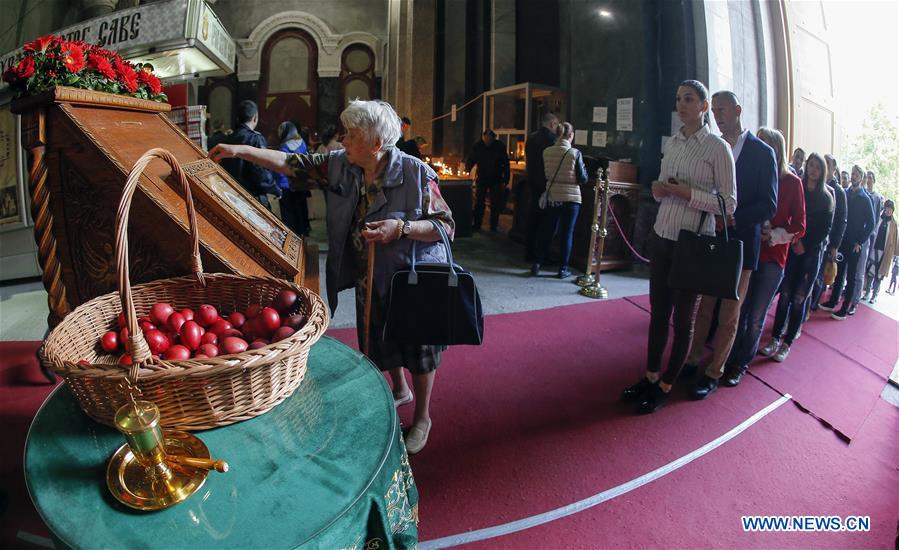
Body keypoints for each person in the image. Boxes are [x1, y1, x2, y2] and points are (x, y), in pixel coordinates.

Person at [209, 100, 455, 454]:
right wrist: (238, 150)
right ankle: (400, 390)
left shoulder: (416, 173)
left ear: (375, 143)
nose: (343, 140)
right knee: (378, 337)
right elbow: (291, 164)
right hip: (369, 273)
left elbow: (446, 226)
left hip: (410, 277)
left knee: (419, 349)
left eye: (351, 134)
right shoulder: (343, 164)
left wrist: (402, 228)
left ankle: (422, 418)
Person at [620, 80, 736, 414]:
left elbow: (729, 204)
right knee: (658, 313)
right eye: (678, 99)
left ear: (704, 106)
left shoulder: (717, 148)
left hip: (693, 243)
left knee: (683, 320)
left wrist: (689, 194)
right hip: (664, 234)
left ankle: (666, 385)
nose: (681, 105)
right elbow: (662, 189)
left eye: (688, 99)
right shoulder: (673, 142)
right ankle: (650, 375)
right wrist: (660, 189)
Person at [685, 90, 778, 400]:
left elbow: (769, 204)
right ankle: (692, 360)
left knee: (729, 314)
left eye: (722, 109)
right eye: (714, 111)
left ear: (738, 110)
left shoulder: (763, 153)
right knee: (704, 307)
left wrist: (734, 219)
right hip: (710, 237)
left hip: (742, 246)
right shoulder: (712, 146)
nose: (717, 116)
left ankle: (714, 372)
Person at [720, 128, 805, 387]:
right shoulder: (751, 171)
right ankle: (726, 357)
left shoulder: (792, 182)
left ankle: (740, 364)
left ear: (776, 149)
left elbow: (800, 224)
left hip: (773, 256)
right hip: (748, 248)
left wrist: (776, 233)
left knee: (756, 316)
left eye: (766, 143)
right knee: (739, 310)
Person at [760, 153, 834, 362]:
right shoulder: (798, 186)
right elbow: (791, 217)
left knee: (799, 299)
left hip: (811, 253)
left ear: (822, 172)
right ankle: (774, 338)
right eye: (811, 165)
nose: (813, 170)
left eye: (817, 167)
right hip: (791, 247)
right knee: (785, 295)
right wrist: (794, 239)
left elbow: (825, 229)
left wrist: (805, 244)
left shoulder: (826, 197)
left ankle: (787, 344)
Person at [530, 122, 588, 279]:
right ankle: (563, 269)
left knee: (547, 231)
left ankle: (537, 263)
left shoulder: (546, 152)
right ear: (571, 135)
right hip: (571, 198)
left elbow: (544, 174)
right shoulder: (575, 153)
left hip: (553, 195)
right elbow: (582, 178)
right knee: (566, 234)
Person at [821, 165, 876, 319]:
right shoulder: (845, 193)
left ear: (861, 178)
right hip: (842, 241)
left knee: (851, 277)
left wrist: (860, 241)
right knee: (839, 273)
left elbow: (871, 223)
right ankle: (833, 301)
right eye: (853, 174)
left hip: (854, 245)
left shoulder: (866, 199)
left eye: (857, 175)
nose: (853, 177)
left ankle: (844, 309)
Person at [220, 100, 280, 209]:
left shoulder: (227, 139)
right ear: (255, 117)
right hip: (253, 197)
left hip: (232, 196)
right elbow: (260, 169)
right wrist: (273, 188)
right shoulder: (255, 139)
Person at [808, 154, 847, 312]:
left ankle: (810, 306)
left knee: (818, 276)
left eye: (827, 163)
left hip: (826, 241)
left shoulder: (838, 191)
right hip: (810, 238)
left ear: (833, 168)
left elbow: (841, 220)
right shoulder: (816, 185)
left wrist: (835, 245)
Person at [524, 113, 560, 262]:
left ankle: (529, 251)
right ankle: (541, 254)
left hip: (532, 181)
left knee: (533, 217)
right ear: (552, 124)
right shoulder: (553, 140)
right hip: (546, 183)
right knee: (546, 221)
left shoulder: (531, 138)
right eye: (556, 125)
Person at [466, 129, 510, 232]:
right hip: (482, 178)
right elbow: (471, 159)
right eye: (485, 139)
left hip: (496, 178)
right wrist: (467, 169)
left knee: (495, 204)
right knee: (479, 202)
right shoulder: (478, 146)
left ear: (493, 139)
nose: (487, 142)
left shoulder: (499, 147)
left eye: (489, 140)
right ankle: (477, 224)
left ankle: (493, 226)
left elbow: (506, 163)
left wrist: (505, 179)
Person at [274, 121, 311, 236]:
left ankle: (291, 238)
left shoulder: (284, 147)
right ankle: (303, 234)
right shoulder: (302, 143)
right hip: (301, 183)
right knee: (301, 210)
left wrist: (276, 185)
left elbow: (281, 168)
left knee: (288, 214)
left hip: (286, 186)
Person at [866, 200, 897, 303]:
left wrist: (894, 255)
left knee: (879, 275)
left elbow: (894, 241)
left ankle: (874, 296)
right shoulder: (878, 219)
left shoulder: (893, 224)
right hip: (874, 248)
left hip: (885, 253)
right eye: (887, 208)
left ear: (892, 211)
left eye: (890, 209)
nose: (888, 210)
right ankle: (867, 293)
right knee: (870, 272)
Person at [862, 170, 885, 300]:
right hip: (860, 230)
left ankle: (865, 287)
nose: (869, 180)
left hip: (871, 234)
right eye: (867, 177)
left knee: (867, 262)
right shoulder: (863, 193)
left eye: (871, 177)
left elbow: (876, 217)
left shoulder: (877, 197)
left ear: (874, 180)